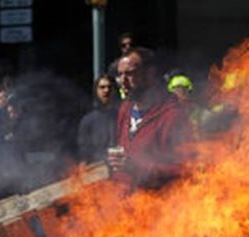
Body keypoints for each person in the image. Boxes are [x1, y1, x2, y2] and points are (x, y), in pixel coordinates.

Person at [108, 47, 192, 189]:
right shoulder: (125, 109)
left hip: (155, 205)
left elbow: (185, 170)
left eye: (129, 73)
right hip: (124, 204)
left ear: (150, 73)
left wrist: (138, 168)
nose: (123, 81)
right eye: (120, 75)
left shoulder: (173, 116)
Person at [76, 74, 118, 163]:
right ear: (96, 91)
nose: (106, 90)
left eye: (109, 87)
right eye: (102, 87)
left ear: (115, 90)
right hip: (98, 170)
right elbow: (84, 151)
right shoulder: (88, 120)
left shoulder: (123, 116)